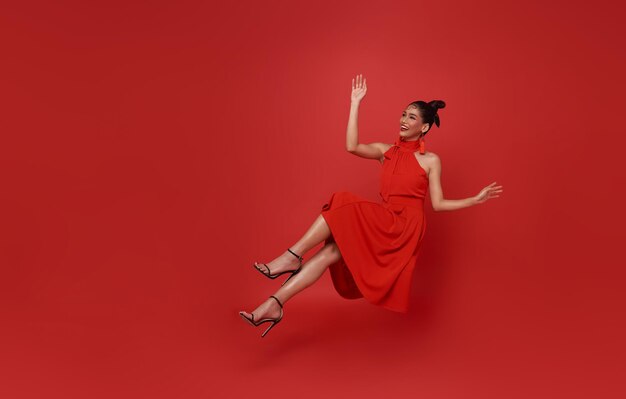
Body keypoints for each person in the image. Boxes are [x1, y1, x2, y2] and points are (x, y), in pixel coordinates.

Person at [239, 74, 503, 337]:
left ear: (424, 127)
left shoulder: (431, 160)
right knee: (329, 253)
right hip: (385, 217)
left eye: (412, 117)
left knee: (341, 200)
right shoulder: (385, 151)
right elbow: (351, 146)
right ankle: (274, 305)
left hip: (403, 229)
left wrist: (475, 199)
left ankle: (292, 256)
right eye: (403, 114)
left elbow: (439, 204)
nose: (403, 119)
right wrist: (355, 103)